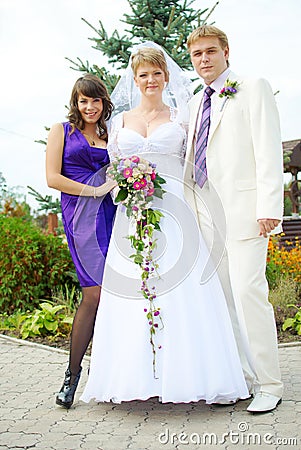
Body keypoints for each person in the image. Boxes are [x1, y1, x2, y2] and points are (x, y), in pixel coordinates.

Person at [80, 42, 250, 405]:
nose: (151, 79)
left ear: (166, 76)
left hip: (176, 214)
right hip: (133, 216)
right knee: (134, 292)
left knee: (183, 291)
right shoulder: (119, 122)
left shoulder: (181, 117)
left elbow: (200, 157)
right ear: (134, 79)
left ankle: (192, 376)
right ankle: (135, 379)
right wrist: (127, 187)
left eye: (157, 73)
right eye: (144, 74)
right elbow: (113, 169)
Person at [184, 25, 283, 413]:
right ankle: (240, 378)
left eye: (211, 51)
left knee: (248, 294)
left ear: (226, 51)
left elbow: (267, 147)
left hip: (246, 213)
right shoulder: (195, 103)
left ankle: (270, 382)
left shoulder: (252, 86)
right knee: (223, 300)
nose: (204, 59)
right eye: (197, 54)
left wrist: (269, 208)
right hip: (207, 217)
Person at [46, 74, 117, 409]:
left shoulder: (110, 134)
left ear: (104, 103)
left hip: (114, 217)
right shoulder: (62, 131)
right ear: (75, 102)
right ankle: (71, 378)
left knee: (118, 296)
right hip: (81, 219)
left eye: (95, 100)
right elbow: (52, 178)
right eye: (83, 100)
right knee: (94, 293)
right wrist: (94, 190)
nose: (89, 107)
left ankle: (111, 375)